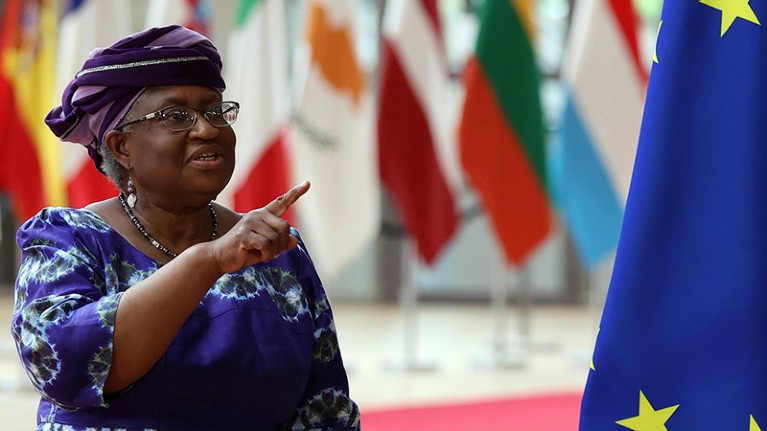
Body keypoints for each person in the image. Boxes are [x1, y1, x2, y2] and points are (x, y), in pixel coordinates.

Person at [11, 25, 361, 431]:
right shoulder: (69, 239)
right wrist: (208, 261)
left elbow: (326, 408)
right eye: (176, 116)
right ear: (121, 146)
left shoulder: (275, 249)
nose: (207, 129)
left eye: (215, 111)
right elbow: (65, 364)